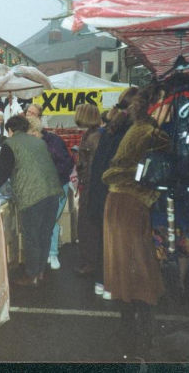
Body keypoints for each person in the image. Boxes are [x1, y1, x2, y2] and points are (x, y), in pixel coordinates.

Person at [101, 84, 170, 358]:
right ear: (156, 104)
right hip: (127, 202)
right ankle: (135, 341)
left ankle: (133, 334)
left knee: (130, 264)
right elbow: (119, 170)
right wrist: (146, 192)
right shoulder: (148, 131)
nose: (172, 108)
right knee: (134, 264)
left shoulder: (145, 129)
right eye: (168, 102)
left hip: (125, 203)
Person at [0, 116, 62, 287]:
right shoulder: (39, 142)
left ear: (10, 130)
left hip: (32, 195)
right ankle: (40, 272)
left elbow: (1, 171)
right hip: (53, 191)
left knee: (32, 235)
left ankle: (32, 276)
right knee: (44, 233)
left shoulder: (10, 144)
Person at [86, 87, 138, 302]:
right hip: (114, 194)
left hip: (99, 193)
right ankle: (111, 285)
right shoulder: (130, 132)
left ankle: (103, 282)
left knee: (104, 241)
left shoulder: (109, 130)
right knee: (117, 243)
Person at [26, 116, 73, 270]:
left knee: (51, 218)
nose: (30, 139)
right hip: (41, 187)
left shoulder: (54, 142)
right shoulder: (32, 144)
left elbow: (66, 163)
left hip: (57, 185)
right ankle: (47, 252)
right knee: (46, 219)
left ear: (38, 131)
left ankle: (52, 253)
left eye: (32, 135)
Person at [71, 104, 102, 285]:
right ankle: (89, 261)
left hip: (91, 187)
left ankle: (90, 263)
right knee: (86, 225)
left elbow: (92, 166)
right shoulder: (91, 134)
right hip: (89, 186)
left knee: (87, 225)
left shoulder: (94, 136)